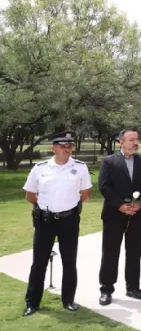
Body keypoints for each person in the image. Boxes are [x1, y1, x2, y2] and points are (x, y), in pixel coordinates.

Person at [21, 131, 91, 316]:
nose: (67, 149)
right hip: (45, 221)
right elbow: (30, 194)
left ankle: (68, 300)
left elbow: (85, 194)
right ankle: (32, 302)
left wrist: (67, 207)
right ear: (54, 148)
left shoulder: (80, 167)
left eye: (69, 146)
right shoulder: (40, 168)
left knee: (69, 261)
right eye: (62, 146)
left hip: (69, 220)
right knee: (39, 263)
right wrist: (43, 208)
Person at [97, 128, 141, 306]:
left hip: (137, 215)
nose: (135, 143)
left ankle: (132, 287)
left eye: (137, 139)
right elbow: (104, 186)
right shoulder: (109, 161)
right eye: (131, 140)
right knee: (110, 253)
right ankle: (106, 290)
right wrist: (121, 205)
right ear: (121, 142)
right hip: (114, 215)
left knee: (135, 252)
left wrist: (140, 203)